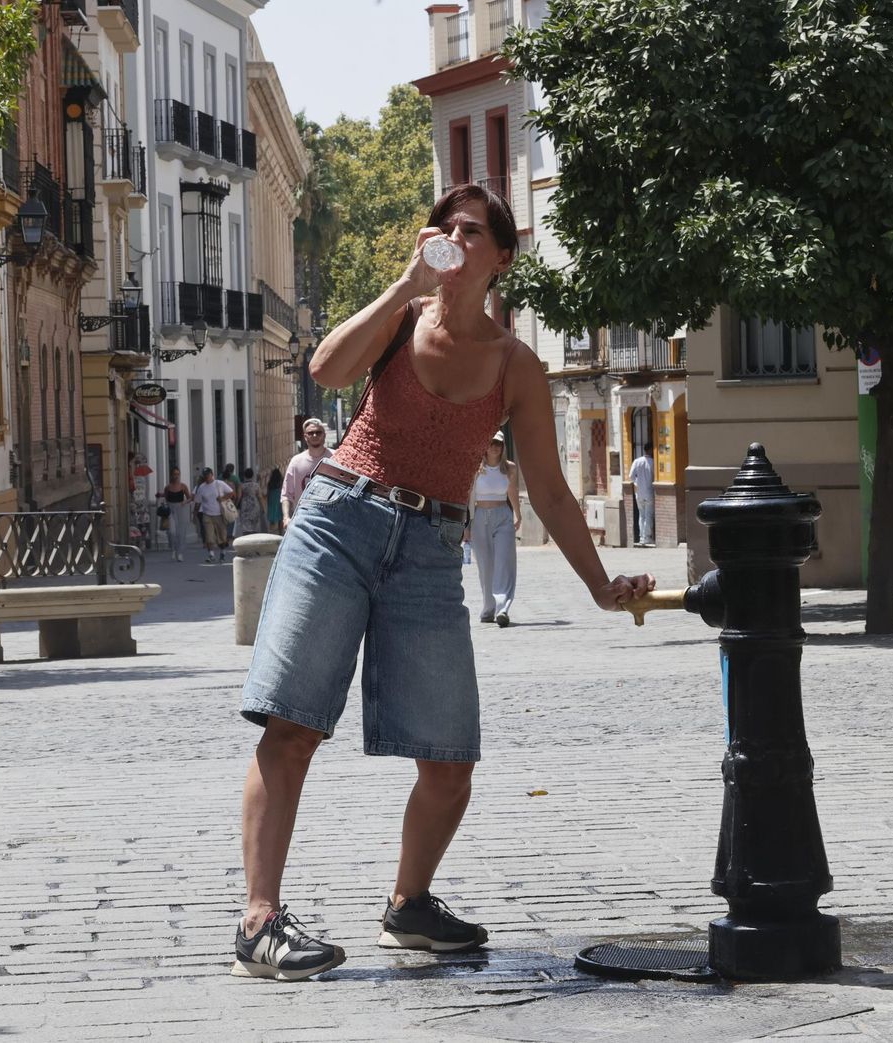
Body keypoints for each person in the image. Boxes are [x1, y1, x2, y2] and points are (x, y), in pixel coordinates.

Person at [231, 183, 655, 981]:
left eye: (470, 231)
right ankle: (259, 921)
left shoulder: (515, 366)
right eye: (443, 227)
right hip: (338, 522)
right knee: (291, 727)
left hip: (431, 548)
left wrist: (600, 585)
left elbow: (551, 490)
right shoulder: (403, 316)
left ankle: (410, 905)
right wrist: (403, 287)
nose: (453, 239)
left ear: (502, 257)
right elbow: (326, 367)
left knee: (450, 758)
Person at [467, 431, 521, 627]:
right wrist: (467, 524)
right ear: (485, 446)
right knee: (485, 566)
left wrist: (517, 513)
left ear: (503, 446)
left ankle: (502, 608)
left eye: (498, 443)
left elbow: (512, 491)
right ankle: (488, 608)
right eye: (491, 443)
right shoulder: (476, 467)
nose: (494, 447)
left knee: (504, 561)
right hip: (480, 517)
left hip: (503, 517)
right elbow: (469, 495)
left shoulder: (510, 468)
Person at [281, 418, 333, 528]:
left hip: (330, 521)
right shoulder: (296, 462)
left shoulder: (336, 458)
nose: (314, 435)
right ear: (305, 437)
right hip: (303, 522)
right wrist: (286, 518)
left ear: (324, 435)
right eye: (310, 433)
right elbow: (286, 495)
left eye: (318, 432)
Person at [193, 467, 234, 564]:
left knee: (222, 537)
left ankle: (222, 553)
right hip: (207, 515)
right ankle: (211, 555)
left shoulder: (219, 484)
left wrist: (223, 498)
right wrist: (194, 513)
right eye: (205, 475)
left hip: (219, 514)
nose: (207, 477)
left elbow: (231, 493)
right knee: (209, 536)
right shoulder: (202, 487)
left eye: (208, 475)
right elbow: (198, 501)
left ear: (212, 474)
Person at [159, 468, 192, 562]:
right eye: (174, 474)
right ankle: (173, 549)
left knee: (181, 532)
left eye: (178, 474)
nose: (176, 476)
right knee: (171, 532)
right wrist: (163, 502)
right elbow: (166, 497)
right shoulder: (168, 487)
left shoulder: (183, 486)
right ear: (171, 475)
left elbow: (190, 498)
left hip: (181, 509)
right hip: (171, 510)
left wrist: (184, 502)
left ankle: (180, 553)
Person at [629, 449, 655, 547]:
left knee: (642, 515)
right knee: (648, 515)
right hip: (649, 492)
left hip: (639, 493)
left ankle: (641, 537)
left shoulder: (637, 461)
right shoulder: (653, 462)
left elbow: (631, 476)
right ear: (651, 451)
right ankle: (647, 537)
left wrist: (637, 482)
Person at [237, 466, 267, 536]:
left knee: (245, 523)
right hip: (254, 505)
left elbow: (239, 497)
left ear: (244, 476)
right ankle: (254, 537)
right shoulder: (256, 485)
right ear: (252, 475)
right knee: (255, 523)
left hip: (245, 506)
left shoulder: (241, 486)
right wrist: (263, 507)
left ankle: (246, 537)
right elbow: (260, 497)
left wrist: (236, 505)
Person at [266, 467, 284, 533]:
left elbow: (268, 493)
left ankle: (271, 531)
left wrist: (268, 501)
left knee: (272, 516)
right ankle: (280, 532)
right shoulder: (281, 482)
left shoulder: (270, 483)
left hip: (272, 499)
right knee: (280, 517)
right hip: (279, 498)